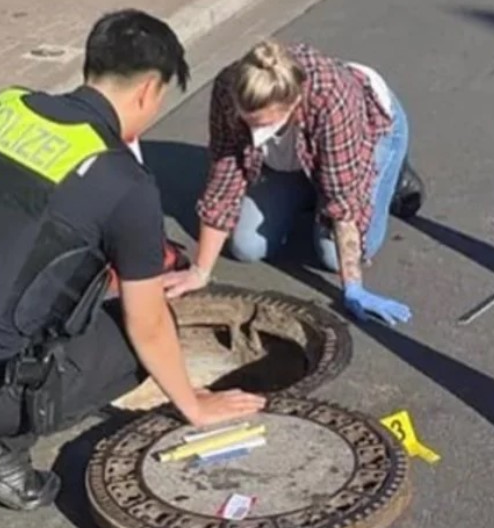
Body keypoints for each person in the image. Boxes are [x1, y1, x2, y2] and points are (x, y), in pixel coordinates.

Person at [0, 9, 267, 519]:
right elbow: (146, 324)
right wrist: (194, 403)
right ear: (149, 90)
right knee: (144, 330)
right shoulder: (125, 182)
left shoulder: (3, 108)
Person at [161, 39, 424, 326]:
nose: (252, 133)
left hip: (368, 131)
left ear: (294, 103)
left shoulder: (333, 99)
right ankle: (312, 182)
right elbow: (226, 176)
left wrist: (353, 288)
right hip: (293, 149)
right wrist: (200, 271)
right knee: (247, 246)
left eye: (263, 124)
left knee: (331, 256)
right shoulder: (229, 87)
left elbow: (344, 202)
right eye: (247, 122)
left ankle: (392, 175)